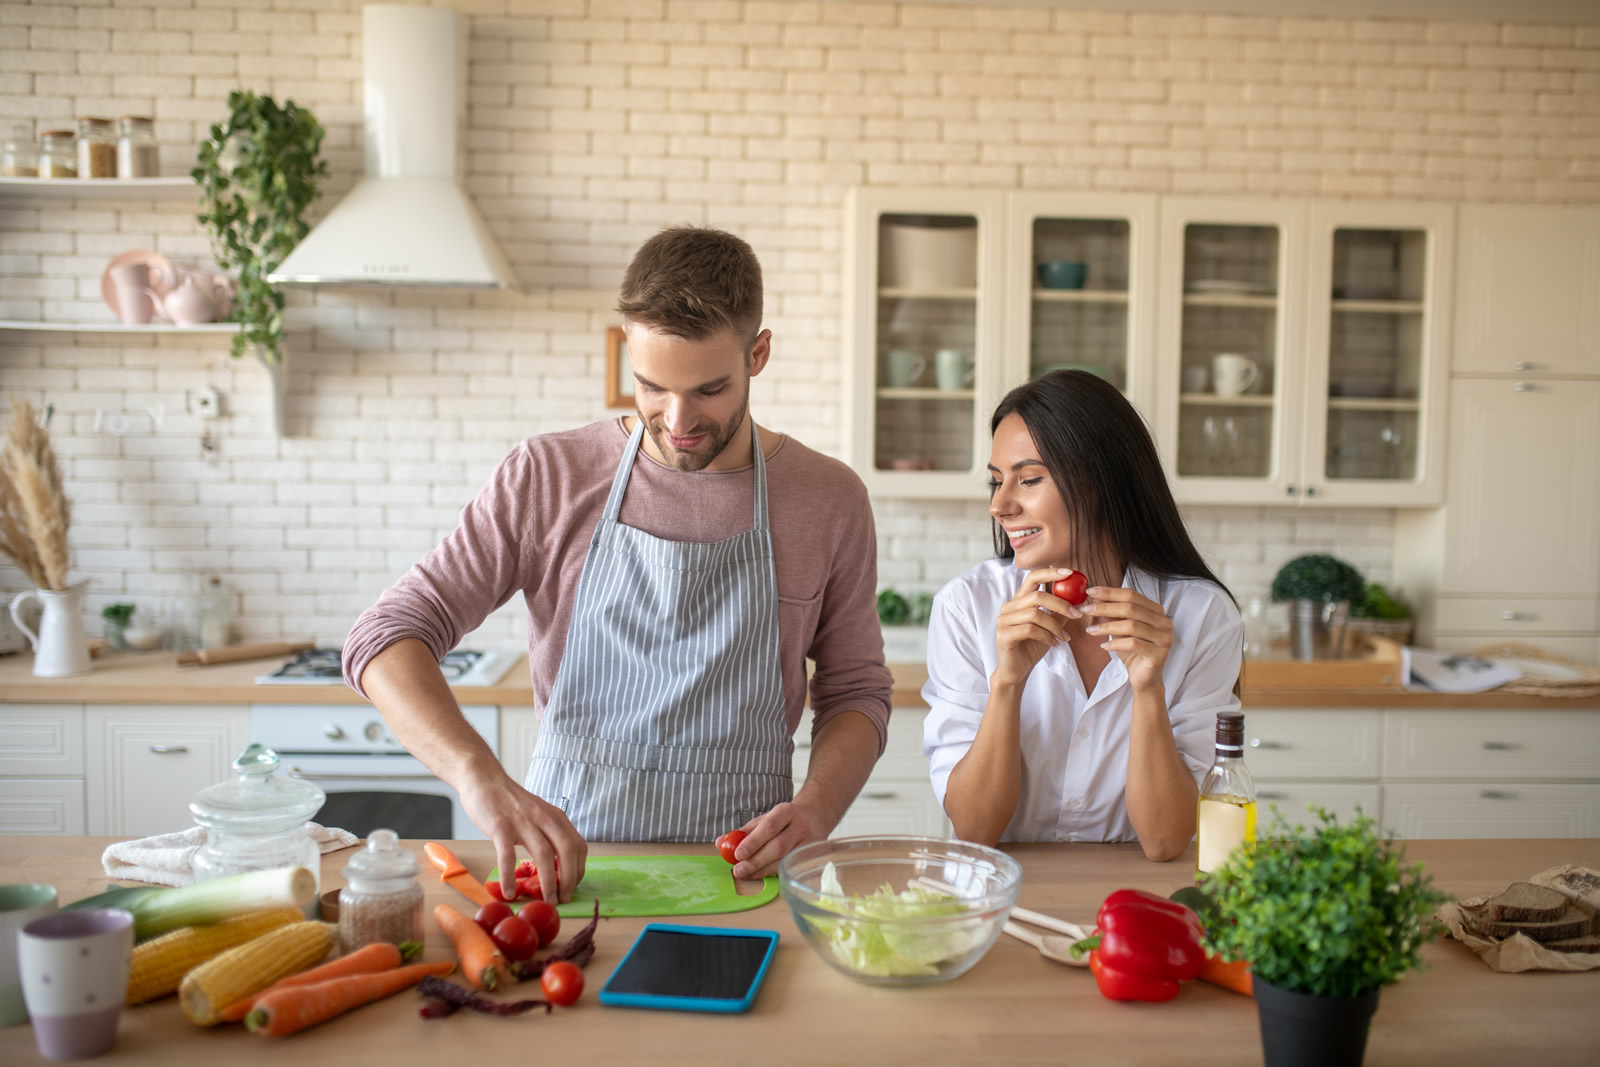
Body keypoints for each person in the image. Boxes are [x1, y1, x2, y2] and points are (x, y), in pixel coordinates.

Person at [344, 226, 893, 901]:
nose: (678, 418)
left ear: (759, 354)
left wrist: (817, 810)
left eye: (709, 389)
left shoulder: (828, 499)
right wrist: (475, 772)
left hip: (743, 878)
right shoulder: (548, 476)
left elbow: (857, 691)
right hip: (566, 876)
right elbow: (385, 635)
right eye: (652, 386)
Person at [921, 370, 1242, 860]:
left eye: (1028, 480)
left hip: (1138, 898)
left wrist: (1148, 688)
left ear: (1098, 481)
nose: (999, 505)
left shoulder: (1201, 617)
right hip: (1005, 895)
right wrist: (1006, 683)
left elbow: (1165, 841)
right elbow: (975, 829)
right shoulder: (967, 607)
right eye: (996, 481)